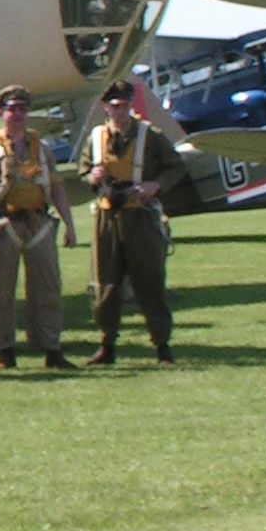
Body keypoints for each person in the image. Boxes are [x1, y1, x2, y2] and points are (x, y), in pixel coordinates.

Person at [0, 84, 79, 370]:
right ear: (0, 112)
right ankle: (3, 350)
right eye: (11, 109)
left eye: (22, 109)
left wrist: (69, 225)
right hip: (4, 225)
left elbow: (57, 189)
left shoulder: (41, 148)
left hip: (40, 223)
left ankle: (51, 349)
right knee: (1, 291)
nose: (17, 114)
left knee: (48, 288)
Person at [80, 80, 187, 364]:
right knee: (105, 283)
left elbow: (176, 167)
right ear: (105, 107)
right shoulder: (97, 137)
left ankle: (162, 346)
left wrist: (155, 186)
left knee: (150, 281)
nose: (120, 111)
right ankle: (107, 345)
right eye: (115, 106)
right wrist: (94, 177)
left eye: (125, 105)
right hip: (106, 217)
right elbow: (84, 170)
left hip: (140, 215)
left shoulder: (149, 135)